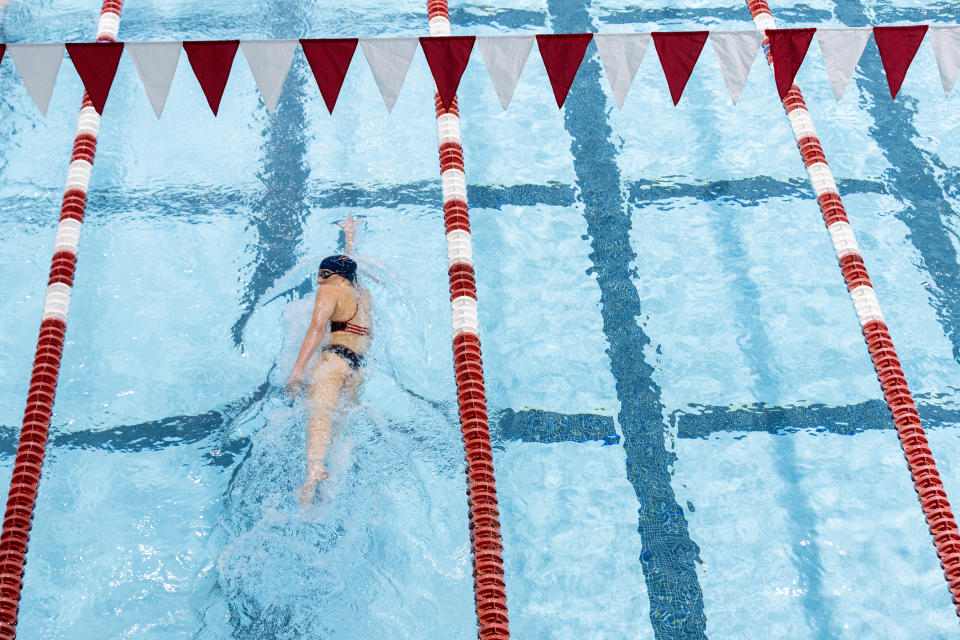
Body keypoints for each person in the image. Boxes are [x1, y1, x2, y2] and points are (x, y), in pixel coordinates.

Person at [286, 214, 371, 505]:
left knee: (319, 414)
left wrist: (296, 371)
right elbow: (351, 268)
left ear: (328, 275)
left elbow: (316, 327)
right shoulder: (362, 295)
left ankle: (313, 470)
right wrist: (350, 237)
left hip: (333, 362)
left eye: (321, 275)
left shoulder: (328, 289)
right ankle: (327, 478)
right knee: (339, 426)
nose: (318, 280)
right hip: (356, 371)